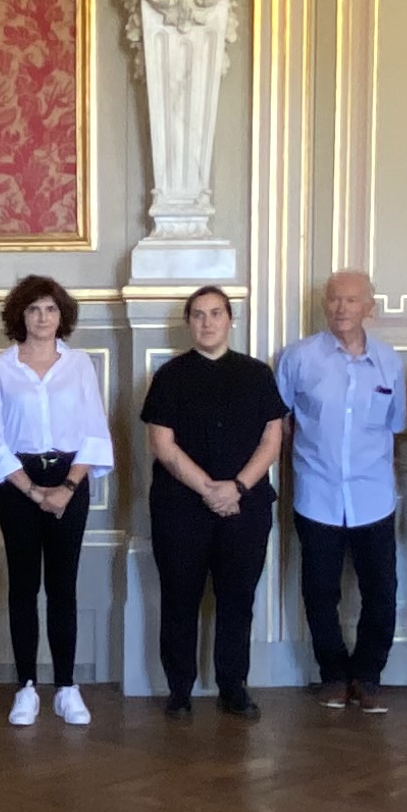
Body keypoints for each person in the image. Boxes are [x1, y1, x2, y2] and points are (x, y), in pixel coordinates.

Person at [141, 286, 288, 718]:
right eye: (199, 315)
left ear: (230, 320)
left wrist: (237, 488)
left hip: (246, 507)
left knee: (237, 599)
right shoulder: (170, 375)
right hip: (180, 508)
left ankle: (233, 687)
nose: (207, 322)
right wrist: (209, 488)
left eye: (216, 314)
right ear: (189, 323)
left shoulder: (258, 374)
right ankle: (180, 690)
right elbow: (162, 444)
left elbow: (271, 438)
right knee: (179, 598)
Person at [0, 275, 111, 728]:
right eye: (33, 309)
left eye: (50, 309)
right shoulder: (0, 368)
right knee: (23, 585)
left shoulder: (80, 365)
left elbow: (94, 431)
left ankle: (67, 687)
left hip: (70, 477)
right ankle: (27, 686)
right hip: (17, 483)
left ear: (61, 316)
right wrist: (32, 490)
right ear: (21, 316)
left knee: (63, 586)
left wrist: (66, 489)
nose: (43, 317)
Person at [277, 267, 407, 711]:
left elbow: (396, 427)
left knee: (381, 591)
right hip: (317, 494)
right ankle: (332, 674)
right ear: (323, 305)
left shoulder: (389, 361)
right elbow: (281, 424)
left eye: (352, 300)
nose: (341, 308)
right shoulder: (297, 358)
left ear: (369, 308)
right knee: (319, 591)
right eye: (334, 299)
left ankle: (368, 676)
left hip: (374, 496)